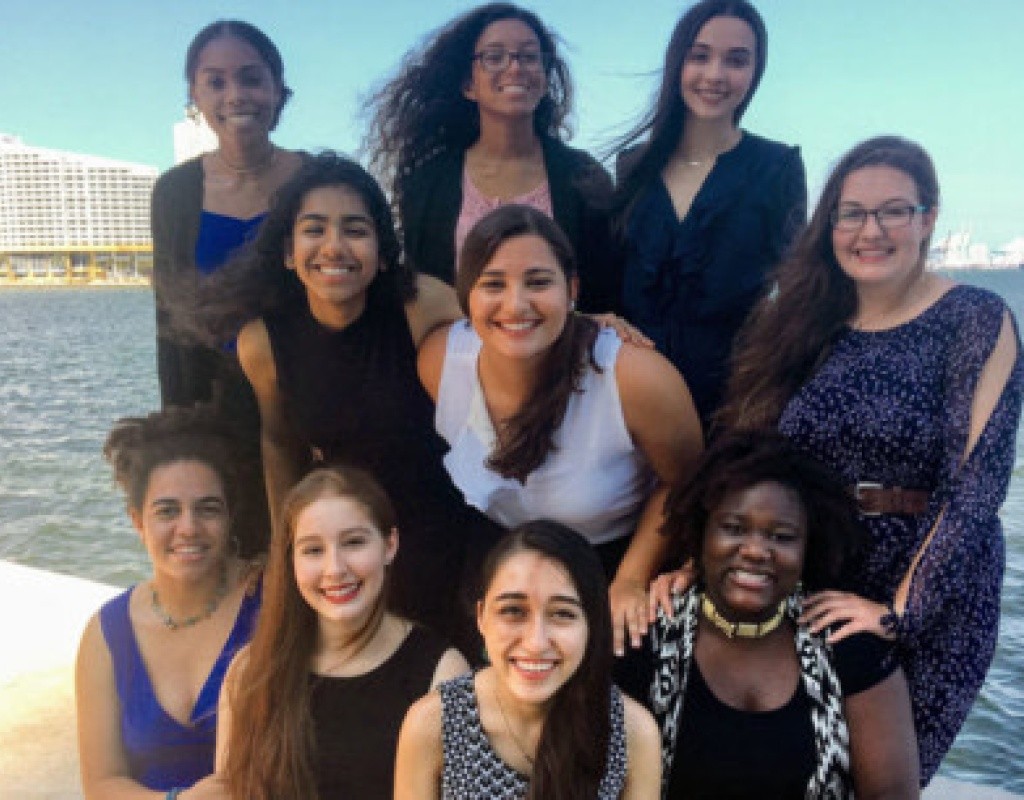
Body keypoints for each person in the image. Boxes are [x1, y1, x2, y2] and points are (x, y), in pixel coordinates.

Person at [719, 135, 1023, 784]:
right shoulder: (803, 323)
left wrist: (900, 611)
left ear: (929, 217)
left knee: (877, 780)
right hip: (810, 570)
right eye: (852, 213)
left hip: (930, 588)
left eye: (894, 211)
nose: (871, 230)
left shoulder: (975, 317)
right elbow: (748, 459)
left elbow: (976, 486)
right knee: (793, 769)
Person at [196, 151, 475, 642]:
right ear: (287, 251)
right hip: (352, 540)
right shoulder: (262, 344)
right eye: (314, 229)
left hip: (453, 524)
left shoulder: (421, 305)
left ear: (382, 250)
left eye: (355, 229)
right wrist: (286, 550)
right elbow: (280, 442)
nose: (334, 246)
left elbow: (510, 335)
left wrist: (590, 330)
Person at [418, 204, 704, 666]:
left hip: (607, 564)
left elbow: (688, 481)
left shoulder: (635, 379)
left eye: (538, 282)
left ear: (571, 289)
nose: (515, 305)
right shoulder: (439, 362)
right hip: (496, 557)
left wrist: (632, 577)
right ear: (465, 294)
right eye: (493, 283)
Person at [652, 431, 919, 799]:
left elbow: (892, 794)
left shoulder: (849, 647)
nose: (756, 551)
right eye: (733, 528)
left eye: (782, 536)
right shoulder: (646, 637)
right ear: (701, 534)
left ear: (809, 547)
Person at [217, 466, 468, 800]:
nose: (335, 569)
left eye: (353, 543)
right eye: (313, 550)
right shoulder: (250, 671)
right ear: (291, 561)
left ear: (389, 545)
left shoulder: (444, 674)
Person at [612, 0, 806, 429]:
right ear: (677, 62)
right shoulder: (633, 169)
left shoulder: (777, 168)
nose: (715, 75)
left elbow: (801, 290)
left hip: (731, 408)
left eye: (736, 61)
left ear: (755, 72)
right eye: (700, 56)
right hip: (627, 405)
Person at [152, 20, 304, 556]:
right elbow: (172, 330)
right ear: (195, 96)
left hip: (312, 403)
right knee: (238, 562)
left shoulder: (315, 181)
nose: (235, 94)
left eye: (250, 77)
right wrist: (178, 444)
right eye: (215, 81)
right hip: (220, 415)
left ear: (278, 89)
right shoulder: (175, 193)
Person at [365, 2, 620, 313]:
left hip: (563, 357)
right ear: (468, 85)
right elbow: (420, 291)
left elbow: (604, 295)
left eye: (528, 56)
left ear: (543, 78)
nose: (515, 68)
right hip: (452, 358)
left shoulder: (583, 176)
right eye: (494, 57)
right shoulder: (428, 181)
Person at [395, 520, 662, 799]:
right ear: (481, 617)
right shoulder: (433, 723)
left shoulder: (633, 733)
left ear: (592, 625)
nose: (536, 643)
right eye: (513, 610)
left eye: (562, 614)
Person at [75, 406, 261, 798]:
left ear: (230, 517)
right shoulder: (106, 635)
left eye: (208, 508)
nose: (189, 528)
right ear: (137, 521)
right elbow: (101, 783)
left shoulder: (270, 602)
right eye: (167, 511)